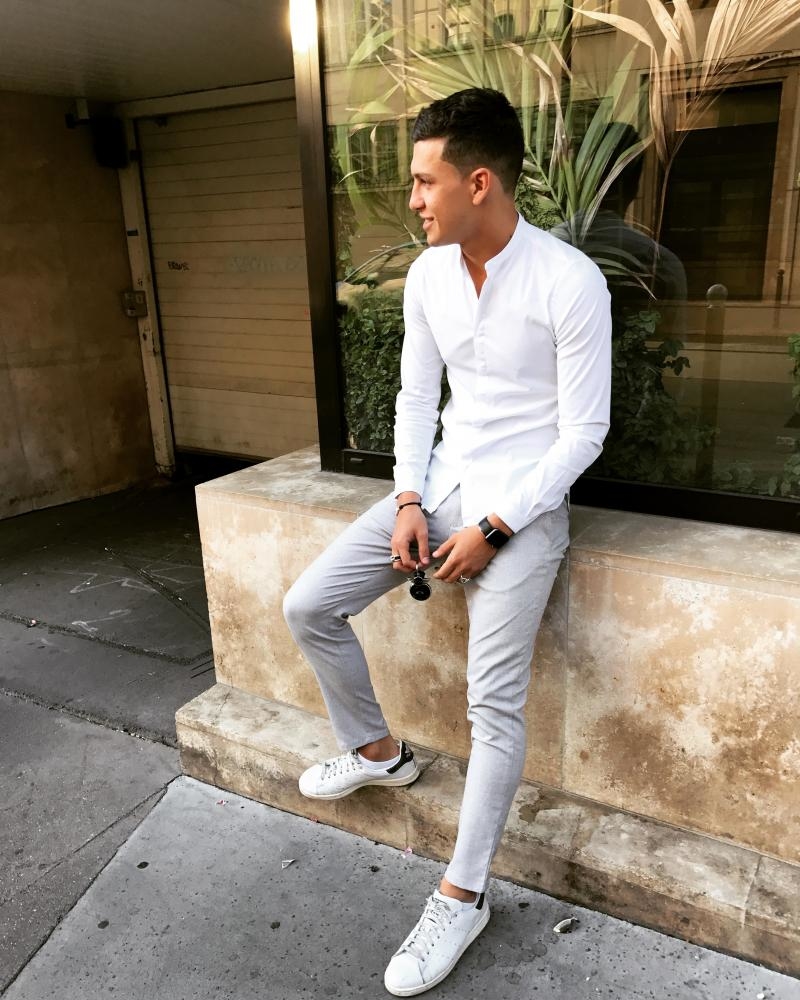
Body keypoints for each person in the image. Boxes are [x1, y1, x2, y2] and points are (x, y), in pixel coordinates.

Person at [283, 87, 611, 996]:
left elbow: (584, 433)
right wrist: (407, 499)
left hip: (525, 508)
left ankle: (463, 896)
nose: (413, 200)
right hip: (442, 484)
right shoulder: (429, 275)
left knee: (492, 708)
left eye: (425, 181)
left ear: (478, 182)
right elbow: (417, 397)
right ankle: (379, 753)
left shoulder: (568, 280)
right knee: (308, 605)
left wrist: (495, 528)